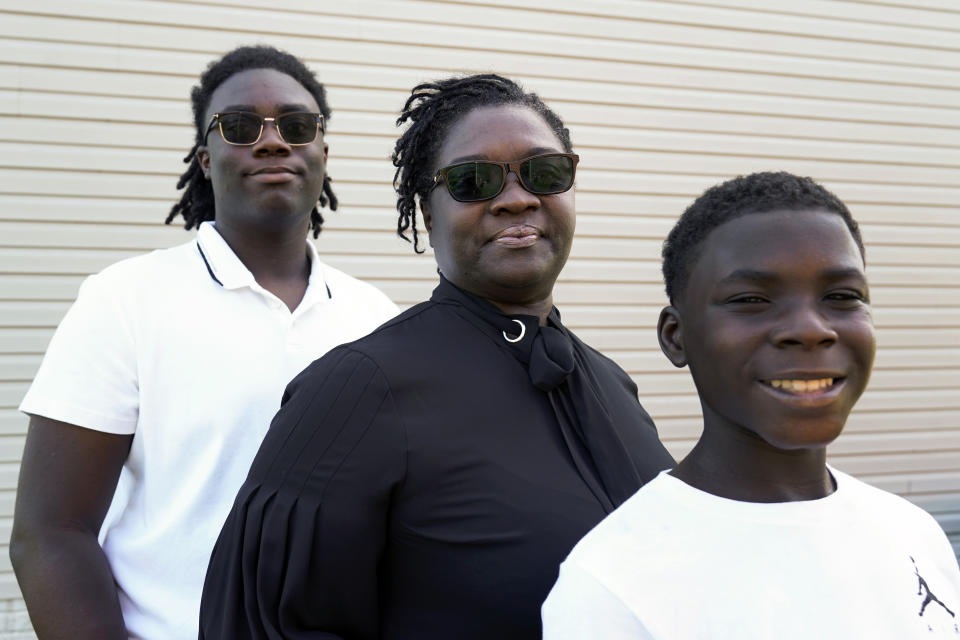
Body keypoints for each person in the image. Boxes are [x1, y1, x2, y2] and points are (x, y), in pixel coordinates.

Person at [198, 73, 675, 640]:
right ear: (428, 215)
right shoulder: (358, 389)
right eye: (474, 181)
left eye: (544, 173)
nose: (517, 199)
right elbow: (265, 625)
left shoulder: (610, 384)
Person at [10, 45, 398, 640]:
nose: (272, 141)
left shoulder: (376, 319)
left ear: (323, 150)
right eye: (240, 127)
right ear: (205, 156)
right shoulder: (125, 300)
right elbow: (51, 531)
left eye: (297, 125)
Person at [541, 172, 960, 639]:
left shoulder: (913, 534)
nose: (810, 328)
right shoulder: (612, 586)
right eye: (752, 300)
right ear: (676, 337)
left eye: (842, 296)